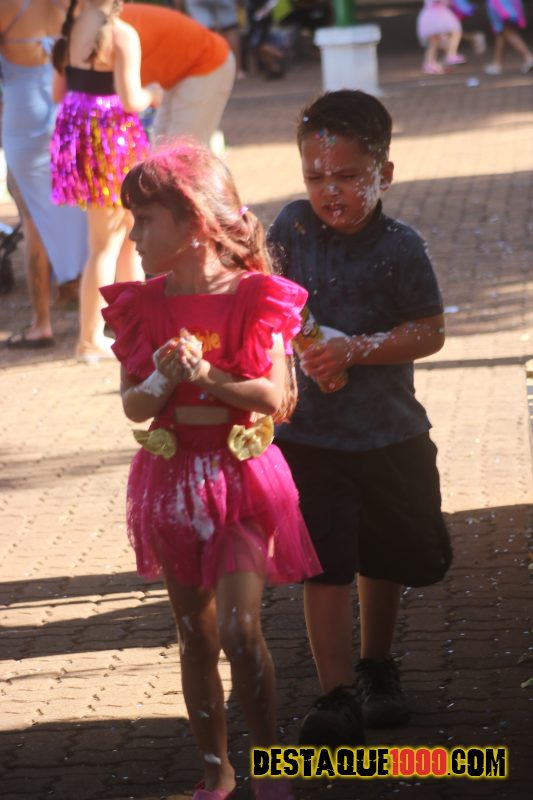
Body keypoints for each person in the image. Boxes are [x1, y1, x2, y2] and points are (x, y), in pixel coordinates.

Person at [100, 140, 322, 799]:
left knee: (237, 629)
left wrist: (206, 375)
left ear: (194, 222)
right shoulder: (142, 305)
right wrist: (163, 380)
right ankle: (216, 772)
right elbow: (134, 406)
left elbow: (275, 397)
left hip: (242, 480)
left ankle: (271, 764)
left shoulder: (255, 296)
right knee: (195, 636)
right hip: (171, 485)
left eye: (145, 221)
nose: (134, 236)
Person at [268, 90, 453, 744]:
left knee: (383, 556)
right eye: (315, 176)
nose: (330, 191)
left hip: (387, 435)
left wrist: (357, 349)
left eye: (347, 176)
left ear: (384, 174)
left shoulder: (401, 247)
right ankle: (336, 692)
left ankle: (377, 666)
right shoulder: (291, 227)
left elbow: (429, 331)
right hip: (308, 439)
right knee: (323, 566)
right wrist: (298, 339)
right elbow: (270, 297)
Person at [50, 0, 161, 362]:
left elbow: (57, 93)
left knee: (126, 239)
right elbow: (131, 100)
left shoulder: (71, 31)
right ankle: (88, 339)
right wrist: (154, 94)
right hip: (112, 145)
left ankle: (131, 328)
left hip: (83, 143)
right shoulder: (122, 34)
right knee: (108, 244)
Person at [1, 0, 88, 349]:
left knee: (33, 218)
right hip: (68, 106)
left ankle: (41, 324)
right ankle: (83, 301)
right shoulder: (70, 4)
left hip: (24, 112)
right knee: (78, 207)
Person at [120, 2, 235, 144]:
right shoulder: (108, 21)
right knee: (162, 144)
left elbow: (130, 100)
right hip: (178, 72)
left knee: (182, 148)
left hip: (206, 62)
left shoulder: (116, 30)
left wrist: (150, 95)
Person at [483, 0, 533, 74]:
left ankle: (529, 58)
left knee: (507, 31)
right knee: (501, 32)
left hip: (499, 3)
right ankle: (497, 64)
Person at [416, 0, 465, 74]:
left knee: (438, 41)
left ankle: (432, 62)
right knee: (435, 42)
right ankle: (431, 63)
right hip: (433, 17)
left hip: (440, 15)